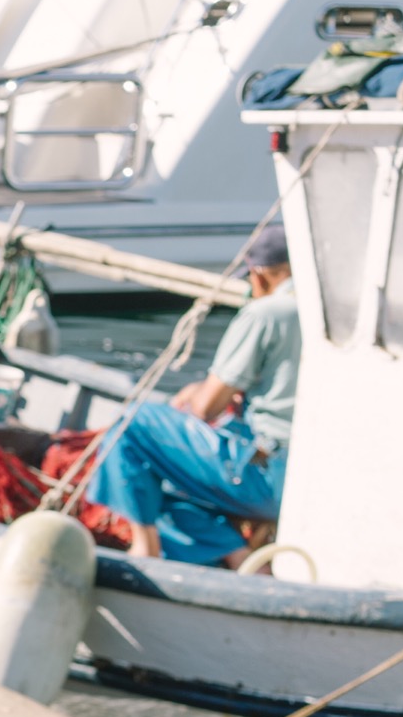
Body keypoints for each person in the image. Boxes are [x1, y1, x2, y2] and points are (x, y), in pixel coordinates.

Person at [84, 224, 299, 568]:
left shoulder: (267, 313)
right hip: (303, 475)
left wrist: (194, 394)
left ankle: (145, 548)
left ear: (260, 275)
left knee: (131, 427)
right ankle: (237, 554)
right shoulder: (328, 315)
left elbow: (204, 407)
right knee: (159, 478)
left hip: (266, 478)